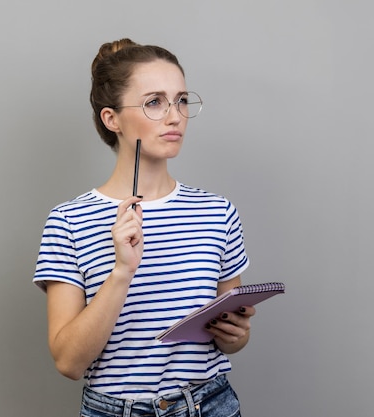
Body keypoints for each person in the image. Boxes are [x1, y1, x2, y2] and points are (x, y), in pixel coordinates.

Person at [34, 38, 254, 417]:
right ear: (111, 119)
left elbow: (229, 337)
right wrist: (122, 271)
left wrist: (237, 335)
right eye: (154, 102)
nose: (175, 116)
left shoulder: (217, 213)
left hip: (210, 404)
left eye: (182, 100)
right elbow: (69, 363)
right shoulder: (69, 221)